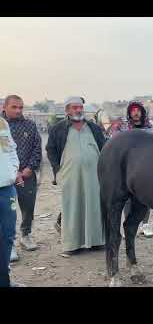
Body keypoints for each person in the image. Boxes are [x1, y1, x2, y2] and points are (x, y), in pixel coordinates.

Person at [46, 96, 105, 255]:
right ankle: (72, 245)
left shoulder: (93, 127)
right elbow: (50, 149)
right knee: (71, 206)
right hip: (70, 174)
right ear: (67, 110)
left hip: (94, 174)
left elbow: (104, 147)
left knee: (95, 205)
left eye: (80, 107)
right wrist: (57, 170)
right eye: (74, 107)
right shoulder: (58, 128)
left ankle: (96, 241)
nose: (78, 110)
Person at [3, 95, 42, 262]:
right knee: (6, 212)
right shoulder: (1, 127)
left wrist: (28, 169)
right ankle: (8, 244)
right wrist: (13, 173)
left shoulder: (30, 125)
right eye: (14, 107)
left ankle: (25, 235)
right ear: (4, 108)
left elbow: (37, 149)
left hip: (27, 175)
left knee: (28, 206)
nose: (18, 110)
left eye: (20, 107)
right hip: (4, 177)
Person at [122, 100, 153, 238]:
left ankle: (145, 225)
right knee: (127, 199)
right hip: (127, 168)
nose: (136, 113)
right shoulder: (124, 129)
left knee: (144, 198)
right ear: (129, 113)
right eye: (133, 110)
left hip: (145, 169)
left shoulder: (150, 129)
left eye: (138, 110)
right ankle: (129, 224)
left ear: (142, 113)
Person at [0, 115, 23, 286]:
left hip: (7, 189)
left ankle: (5, 281)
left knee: (7, 236)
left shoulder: (2, 123)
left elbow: (11, 149)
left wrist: (13, 170)